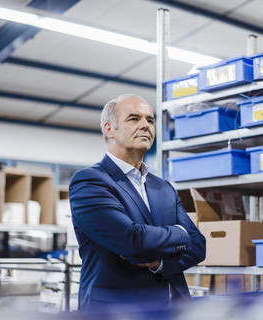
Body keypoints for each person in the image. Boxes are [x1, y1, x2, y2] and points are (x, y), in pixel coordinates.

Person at [69, 93, 206, 313]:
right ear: (109, 129)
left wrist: (161, 264)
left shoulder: (163, 187)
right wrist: (180, 233)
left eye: (150, 120)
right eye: (134, 119)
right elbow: (132, 239)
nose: (145, 125)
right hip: (118, 311)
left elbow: (198, 245)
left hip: (174, 309)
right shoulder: (90, 181)